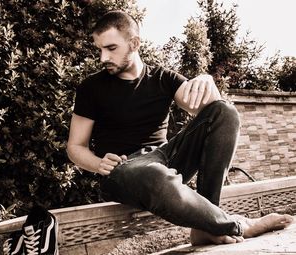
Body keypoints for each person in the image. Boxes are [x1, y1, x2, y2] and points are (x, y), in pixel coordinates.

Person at [67, 10, 293, 245]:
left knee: (226, 111)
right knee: (155, 174)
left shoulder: (162, 78)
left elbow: (212, 112)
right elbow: (75, 146)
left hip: (164, 158)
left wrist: (207, 80)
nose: (103, 57)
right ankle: (235, 225)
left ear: (134, 43)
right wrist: (98, 164)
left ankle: (205, 227)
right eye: (100, 49)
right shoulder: (90, 88)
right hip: (124, 170)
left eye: (111, 48)